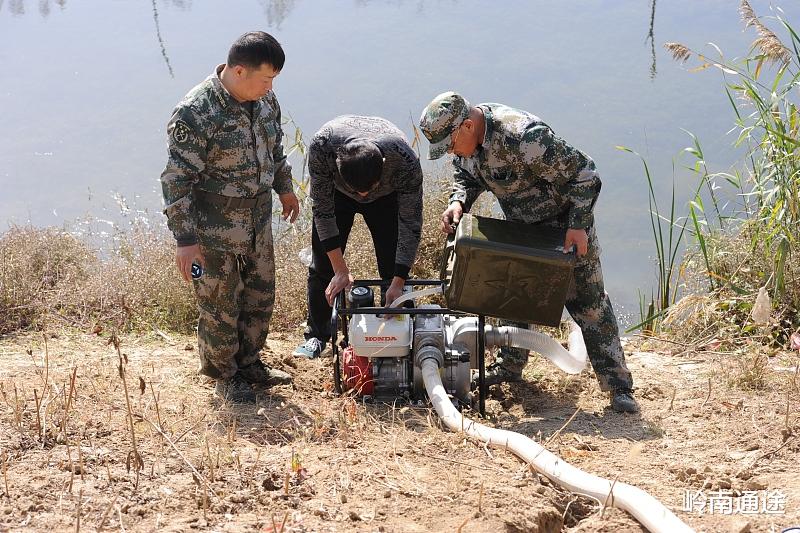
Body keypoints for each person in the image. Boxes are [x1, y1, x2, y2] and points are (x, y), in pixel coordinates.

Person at [419, 91, 639, 413]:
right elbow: (465, 174)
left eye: (450, 145)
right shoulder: (468, 141)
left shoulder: (523, 137)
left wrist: (578, 225)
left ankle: (619, 387)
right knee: (512, 297)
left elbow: (585, 174)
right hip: (522, 229)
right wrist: (458, 202)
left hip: (566, 229)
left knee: (589, 305)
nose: (451, 151)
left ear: (467, 125)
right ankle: (509, 367)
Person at [160, 31, 299, 403]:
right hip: (213, 230)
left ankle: (250, 364)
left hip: (257, 222)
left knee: (260, 297)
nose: (270, 87)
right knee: (220, 305)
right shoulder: (196, 112)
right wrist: (185, 241)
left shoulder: (265, 101)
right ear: (239, 71)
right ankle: (224, 375)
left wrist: (284, 188)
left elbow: (275, 150)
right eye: (266, 78)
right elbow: (176, 181)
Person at [292, 116, 423, 359]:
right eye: (357, 191)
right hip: (338, 195)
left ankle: (402, 332)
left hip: (386, 197)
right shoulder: (322, 147)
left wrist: (398, 282)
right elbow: (322, 212)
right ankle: (317, 336)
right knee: (323, 265)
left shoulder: (404, 160)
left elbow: (410, 224)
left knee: (392, 264)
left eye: (368, 189)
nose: (362, 195)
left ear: (384, 164)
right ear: (337, 164)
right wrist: (340, 269)